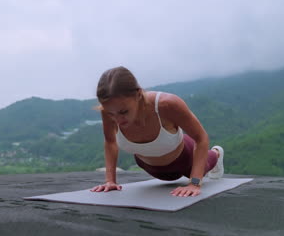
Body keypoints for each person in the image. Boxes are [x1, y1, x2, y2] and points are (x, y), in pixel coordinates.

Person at [90, 66, 224, 197]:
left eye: (123, 112)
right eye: (111, 114)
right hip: (151, 168)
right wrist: (110, 181)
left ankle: (216, 153)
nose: (117, 120)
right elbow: (110, 142)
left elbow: (201, 138)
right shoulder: (109, 110)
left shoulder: (167, 104)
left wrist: (195, 183)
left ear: (138, 94)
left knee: (197, 169)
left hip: (185, 160)